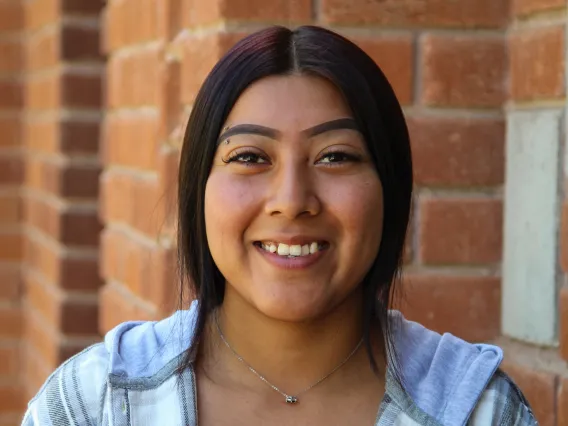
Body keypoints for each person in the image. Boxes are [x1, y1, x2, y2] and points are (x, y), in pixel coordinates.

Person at [22, 25, 537, 426]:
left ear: (391, 190)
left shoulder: (477, 410)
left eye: (335, 157)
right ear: (198, 188)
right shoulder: (97, 404)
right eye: (249, 156)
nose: (291, 201)